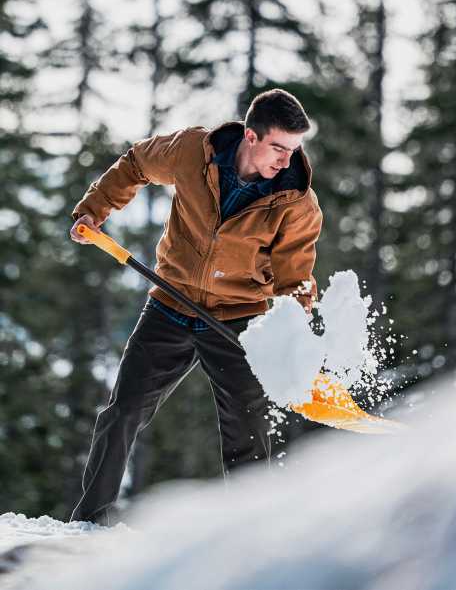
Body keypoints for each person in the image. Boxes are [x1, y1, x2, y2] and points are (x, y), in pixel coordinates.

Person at [69, 88, 323, 525]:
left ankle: (250, 535)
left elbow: (293, 277)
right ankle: (89, 521)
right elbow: (135, 164)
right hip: (170, 303)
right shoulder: (191, 151)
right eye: (278, 148)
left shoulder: (296, 202)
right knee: (124, 411)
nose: (285, 161)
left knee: (246, 433)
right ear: (250, 136)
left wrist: (292, 333)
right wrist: (94, 209)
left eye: (293, 150)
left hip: (240, 319)